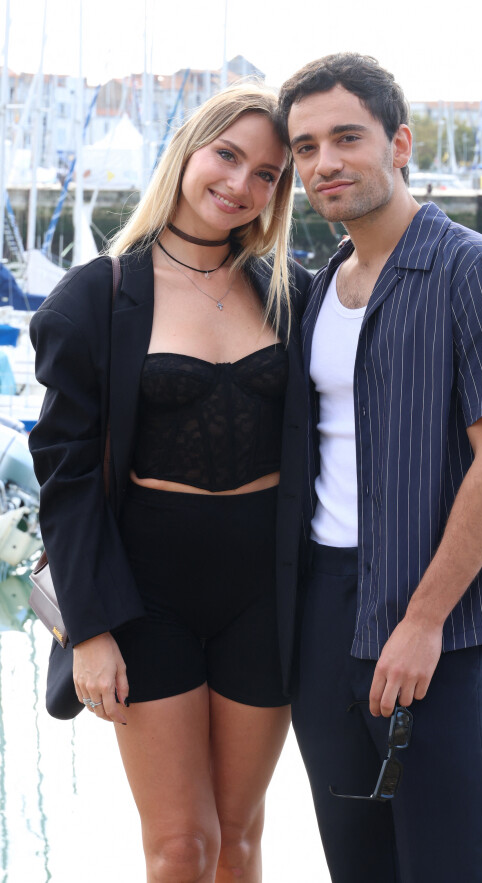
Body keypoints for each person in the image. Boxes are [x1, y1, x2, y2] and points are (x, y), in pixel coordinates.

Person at [28, 82, 311, 883]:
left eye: (268, 173)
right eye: (228, 155)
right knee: (181, 845)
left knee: (242, 836)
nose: (241, 183)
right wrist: (88, 630)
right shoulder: (98, 296)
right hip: (144, 594)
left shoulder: (289, 291)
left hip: (266, 591)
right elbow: (68, 477)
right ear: (188, 149)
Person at [277, 53, 482, 883]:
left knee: (451, 862)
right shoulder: (317, 290)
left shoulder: (475, 271)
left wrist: (423, 622)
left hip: (440, 620)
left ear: (400, 142)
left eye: (347, 137)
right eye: (306, 146)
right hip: (326, 611)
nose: (326, 163)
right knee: (356, 863)